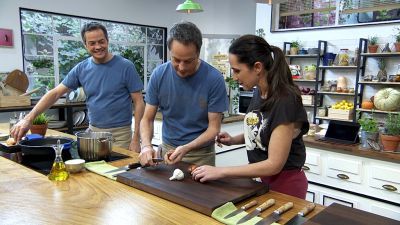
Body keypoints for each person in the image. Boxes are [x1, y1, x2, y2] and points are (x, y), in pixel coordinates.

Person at [191, 35, 310, 199]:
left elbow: (274, 164)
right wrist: (234, 140)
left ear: (257, 67)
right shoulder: (258, 92)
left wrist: (221, 172)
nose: (234, 77)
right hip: (261, 181)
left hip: (285, 185)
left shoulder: (285, 100)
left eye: (237, 70)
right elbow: (264, 131)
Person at [11, 22, 145, 152]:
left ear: (107, 41)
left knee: (119, 173)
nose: (98, 46)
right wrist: (28, 118)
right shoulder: (82, 68)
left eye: (101, 41)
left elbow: (139, 102)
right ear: (85, 45)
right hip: (93, 133)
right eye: (92, 43)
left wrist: (136, 138)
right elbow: (56, 93)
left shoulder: (126, 66)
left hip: (121, 135)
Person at [139, 21, 228, 167]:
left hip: (201, 155)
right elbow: (147, 119)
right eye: (176, 60)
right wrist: (146, 146)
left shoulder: (214, 79)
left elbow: (213, 129)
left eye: (188, 61)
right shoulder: (159, 75)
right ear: (170, 52)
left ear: (198, 53)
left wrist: (186, 148)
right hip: (168, 151)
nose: (181, 67)